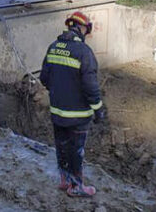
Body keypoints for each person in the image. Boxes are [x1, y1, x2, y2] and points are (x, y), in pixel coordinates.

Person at [39, 11, 107, 197]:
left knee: (61, 147)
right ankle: (76, 187)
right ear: (83, 28)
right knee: (76, 150)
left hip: (57, 112)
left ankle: (64, 180)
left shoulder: (53, 47)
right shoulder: (84, 52)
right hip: (78, 116)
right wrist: (99, 109)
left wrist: (60, 90)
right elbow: (90, 87)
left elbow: (44, 77)